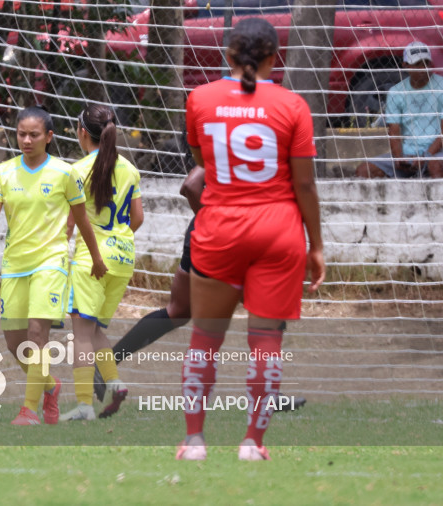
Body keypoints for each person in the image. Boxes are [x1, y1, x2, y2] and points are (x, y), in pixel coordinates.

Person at [177, 18, 324, 461]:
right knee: (265, 341)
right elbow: (305, 186)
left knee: (204, 337)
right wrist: (315, 245)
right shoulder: (293, 105)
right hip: (278, 232)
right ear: (274, 58)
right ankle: (252, 444)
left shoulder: (199, 99)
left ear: (226, 55)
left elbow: (204, 161)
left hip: (219, 229)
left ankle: (195, 441)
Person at [93, 165, 307, 415]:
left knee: (178, 312)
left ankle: (107, 362)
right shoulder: (230, 146)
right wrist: (219, 225)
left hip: (210, 234)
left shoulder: (242, 146)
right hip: (229, 237)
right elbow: (191, 185)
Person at [0, 106, 108, 425]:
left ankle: (28, 410)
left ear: (49, 137)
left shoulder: (65, 173)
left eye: (34, 135)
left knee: (37, 333)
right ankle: (50, 386)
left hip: (52, 263)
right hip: (14, 265)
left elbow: (81, 219)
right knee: (14, 341)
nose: (26, 140)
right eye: (21, 134)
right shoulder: (4, 172)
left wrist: (96, 257)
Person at [59, 104, 143, 422]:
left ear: (82, 133)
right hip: (124, 258)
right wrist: (116, 241)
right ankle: (115, 383)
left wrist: (94, 254)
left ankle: (84, 406)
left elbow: (75, 224)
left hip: (92, 260)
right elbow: (138, 218)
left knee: (80, 334)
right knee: (94, 331)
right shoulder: (130, 170)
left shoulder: (77, 171)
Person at [356, 42, 443, 179]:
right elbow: (394, 131)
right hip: (408, 154)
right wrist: (398, 158)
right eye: (417, 64)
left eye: (426, 63)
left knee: (435, 165)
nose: (422, 68)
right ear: (405, 65)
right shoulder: (396, 92)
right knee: (364, 170)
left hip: (437, 153)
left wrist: (426, 156)